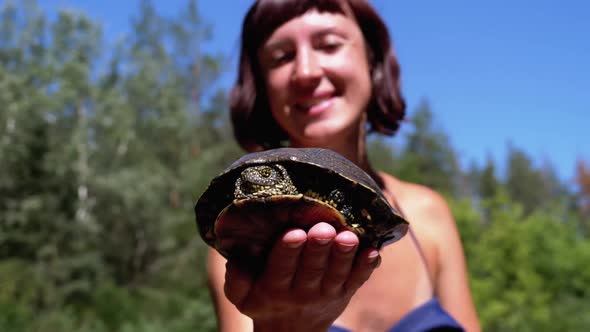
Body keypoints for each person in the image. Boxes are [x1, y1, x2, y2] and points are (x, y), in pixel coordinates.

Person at [207, 0, 481, 331]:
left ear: (372, 58)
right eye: (281, 57)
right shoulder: (237, 250)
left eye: (329, 44)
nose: (306, 71)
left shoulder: (428, 213)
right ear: (262, 86)